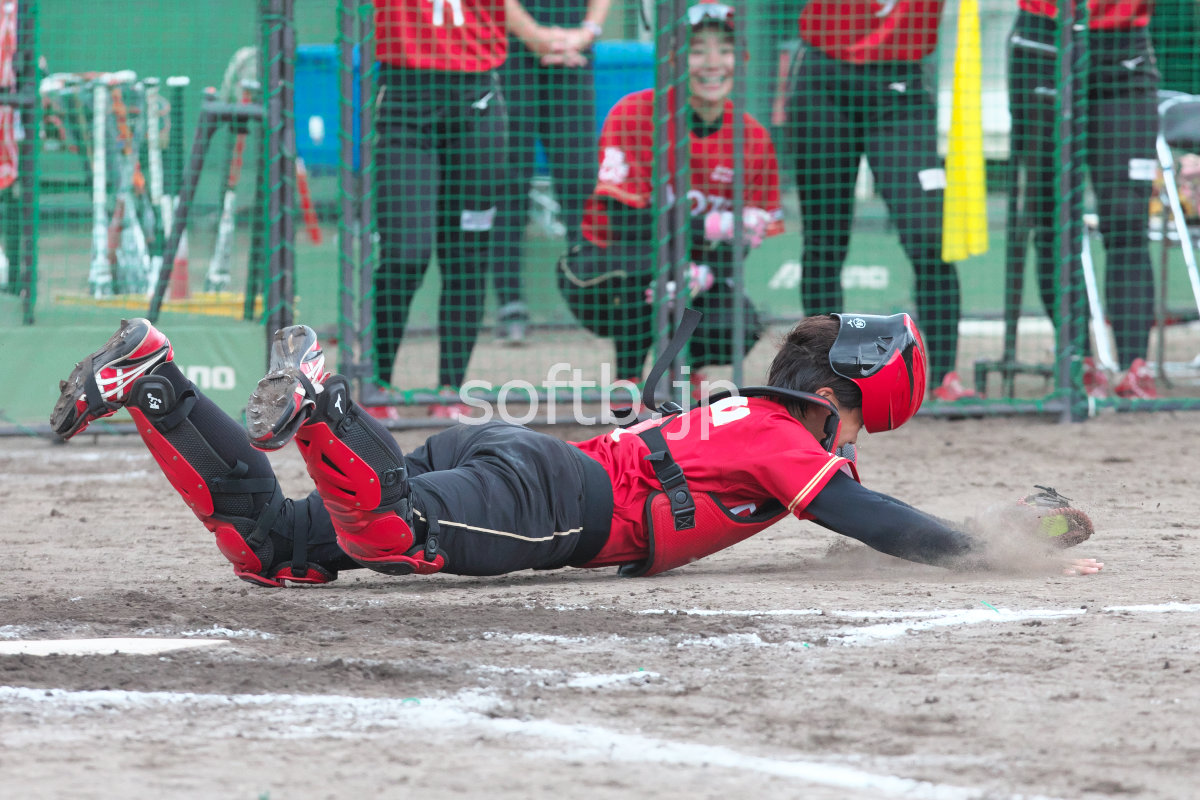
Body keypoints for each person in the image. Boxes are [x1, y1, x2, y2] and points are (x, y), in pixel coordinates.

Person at [48, 314, 1102, 588]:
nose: (856, 442)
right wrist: (994, 549)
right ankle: (323, 406)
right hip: (562, 497)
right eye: (861, 419)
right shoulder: (786, 440)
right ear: (837, 400)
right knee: (402, 535)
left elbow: (857, 518)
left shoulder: (760, 420)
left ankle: (152, 380)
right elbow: (875, 522)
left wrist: (1022, 520)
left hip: (530, 463)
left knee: (275, 547)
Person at [557, 3, 783, 391]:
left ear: (740, 58)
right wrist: (713, 226)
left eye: (725, 50)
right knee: (648, 274)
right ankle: (627, 381)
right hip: (608, 266)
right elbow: (626, 223)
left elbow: (741, 245)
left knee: (739, 322)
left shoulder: (753, 137)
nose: (713, 63)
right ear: (675, 58)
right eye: (697, 51)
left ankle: (688, 372)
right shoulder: (634, 113)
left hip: (696, 266)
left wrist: (709, 272)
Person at [787, 0, 976, 403]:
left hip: (900, 85)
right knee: (824, 238)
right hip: (823, 77)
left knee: (929, 237)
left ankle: (944, 375)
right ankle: (821, 380)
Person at [1007, 0, 1162, 399]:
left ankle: (1134, 369)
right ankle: (1077, 362)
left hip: (1123, 49)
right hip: (1043, 40)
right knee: (1053, 219)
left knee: (1127, 218)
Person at [372, 0, 508, 419]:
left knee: (467, 252)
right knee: (405, 255)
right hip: (405, 104)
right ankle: (378, 387)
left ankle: (450, 389)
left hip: (478, 102)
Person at [491, 0, 612, 345]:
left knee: (579, 180)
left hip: (574, 49)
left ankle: (590, 300)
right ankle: (510, 304)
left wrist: (584, 34)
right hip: (512, 50)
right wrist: (534, 35)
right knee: (508, 181)